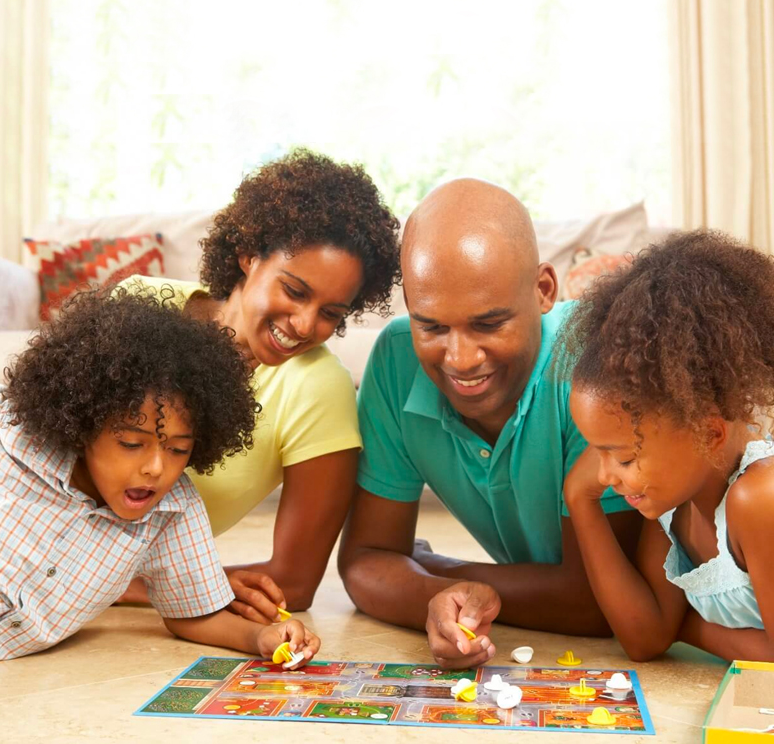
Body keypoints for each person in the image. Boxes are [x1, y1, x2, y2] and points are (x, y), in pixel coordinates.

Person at [338, 178, 640, 668]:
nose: (459, 359)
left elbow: (599, 601)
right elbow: (364, 563)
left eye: (488, 323)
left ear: (544, 290)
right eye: (431, 326)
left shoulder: (593, 366)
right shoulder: (395, 359)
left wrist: (437, 568)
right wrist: (434, 599)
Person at [120, 148, 401, 623]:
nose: (306, 324)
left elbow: (293, 581)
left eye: (332, 313)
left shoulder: (318, 388)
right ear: (249, 255)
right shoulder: (136, 305)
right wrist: (194, 584)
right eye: (294, 291)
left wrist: (189, 584)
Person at [0, 288, 321, 662]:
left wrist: (262, 637)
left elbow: (194, 614)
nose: (157, 469)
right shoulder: (2, 440)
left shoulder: (173, 513)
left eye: (179, 449)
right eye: (132, 443)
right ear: (82, 426)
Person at [562, 230, 774, 662]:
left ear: (709, 434)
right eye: (597, 451)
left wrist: (687, 627)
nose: (605, 475)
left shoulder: (759, 499)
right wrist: (579, 498)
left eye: (623, 456)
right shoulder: (674, 503)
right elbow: (646, 639)